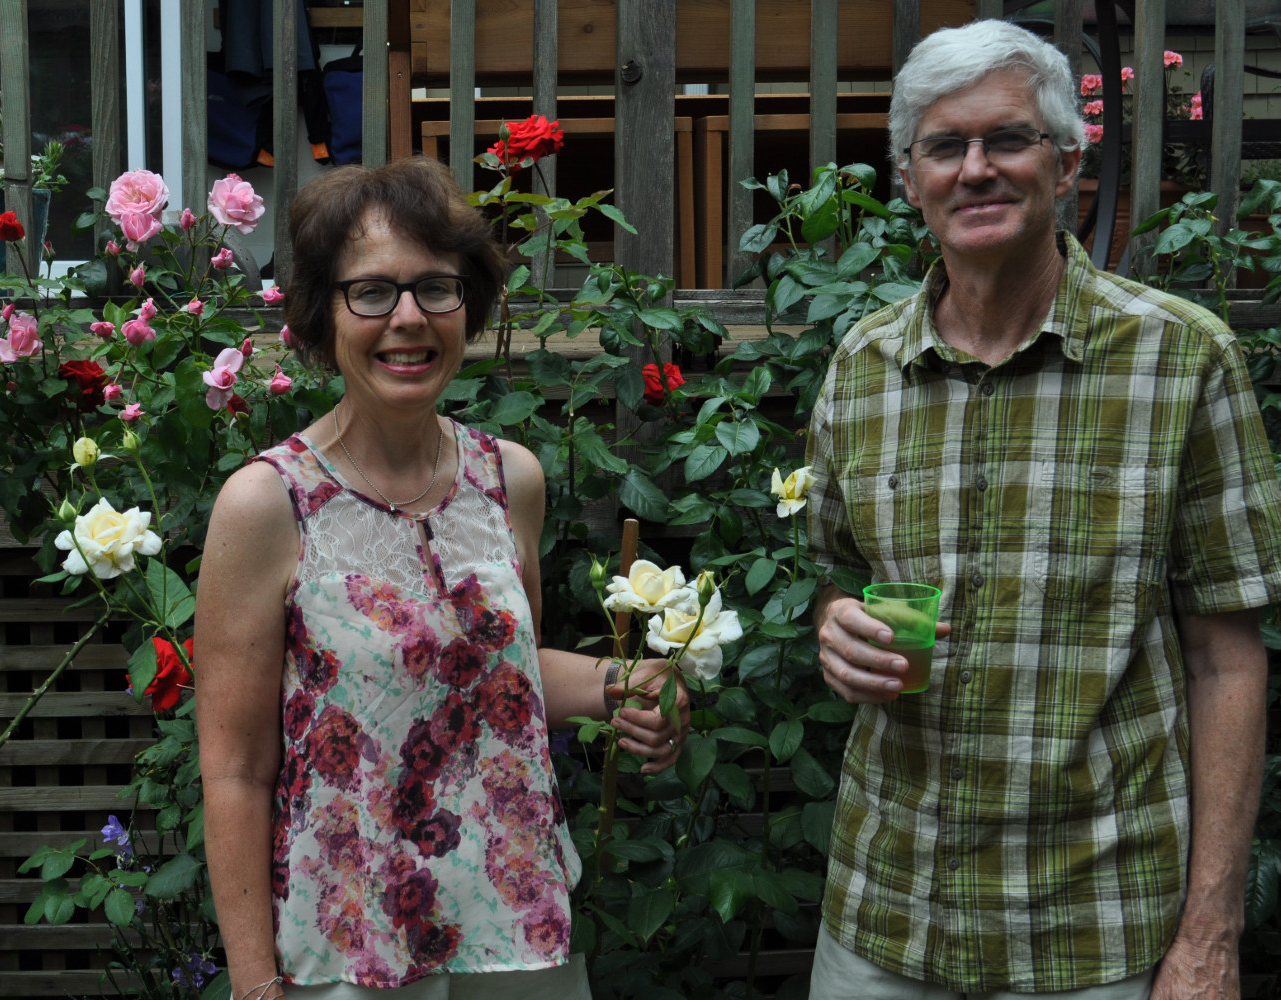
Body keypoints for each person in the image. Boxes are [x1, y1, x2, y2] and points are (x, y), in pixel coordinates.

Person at [803, 19, 1281, 1000]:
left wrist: (1209, 937)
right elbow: (835, 575)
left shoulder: (1181, 360)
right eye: (944, 145)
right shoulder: (861, 367)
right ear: (908, 179)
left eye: (1006, 140)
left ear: (1065, 166)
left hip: (1095, 932)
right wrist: (834, 627)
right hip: (883, 917)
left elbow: (1224, 656)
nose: (974, 169)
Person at [194, 157, 687, 1000]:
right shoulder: (267, 503)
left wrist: (621, 682)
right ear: (320, 316)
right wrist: (252, 984)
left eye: (436, 288)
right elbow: (236, 769)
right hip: (352, 948)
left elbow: (503, 673)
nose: (409, 319)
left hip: (517, 932)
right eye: (372, 292)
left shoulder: (511, 480)